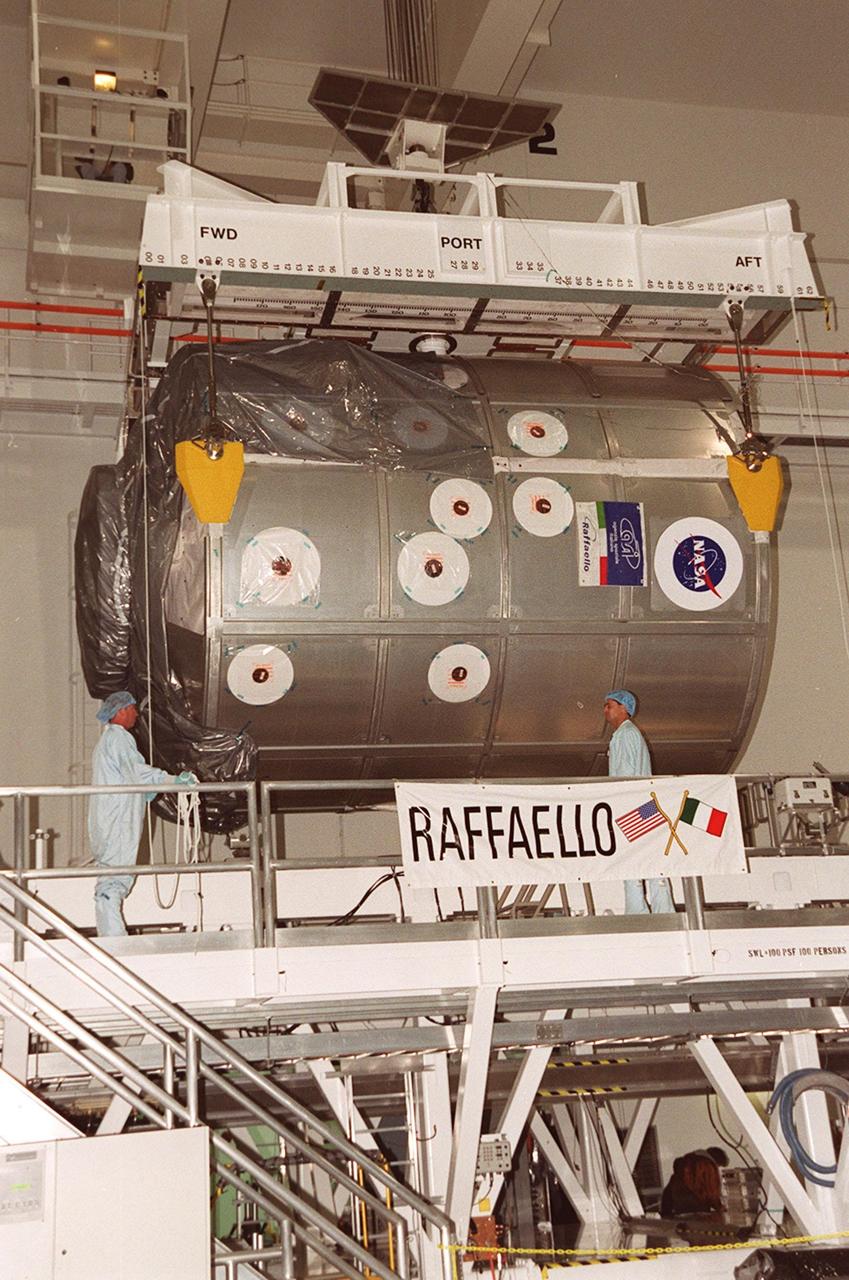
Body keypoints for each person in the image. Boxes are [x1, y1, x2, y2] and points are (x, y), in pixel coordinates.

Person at [89, 691, 194, 937]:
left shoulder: (107, 741)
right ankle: (114, 940)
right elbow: (136, 772)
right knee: (114, 879)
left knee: (110, 876)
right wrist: (172, 781)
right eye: (133, 709)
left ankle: (110, 934)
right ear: (121, 711)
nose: (136, 713)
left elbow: (125, 775)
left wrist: (147, 793)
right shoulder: (119, 738)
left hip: (110, 815)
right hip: (118, 818)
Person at [604, 688, 675, 915]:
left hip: (632, 805)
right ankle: (663, 909)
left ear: (624, 708)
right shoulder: (631, 734)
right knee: (651, 859)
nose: (605, 711)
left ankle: (637, 911)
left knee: (632, 860)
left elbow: (623, 776)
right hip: (644, 804)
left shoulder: (624, 735)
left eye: (610, 705)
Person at [660, 1146, 729, 1217]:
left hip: (680, 1211)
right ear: (717, 1160)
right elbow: (712, 1192)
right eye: (719, 1165)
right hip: (699, 1212)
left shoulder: (684, 1164)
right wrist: (720, 1207)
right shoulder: (708, 1166)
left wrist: (665, 1212)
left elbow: (668, 1192)